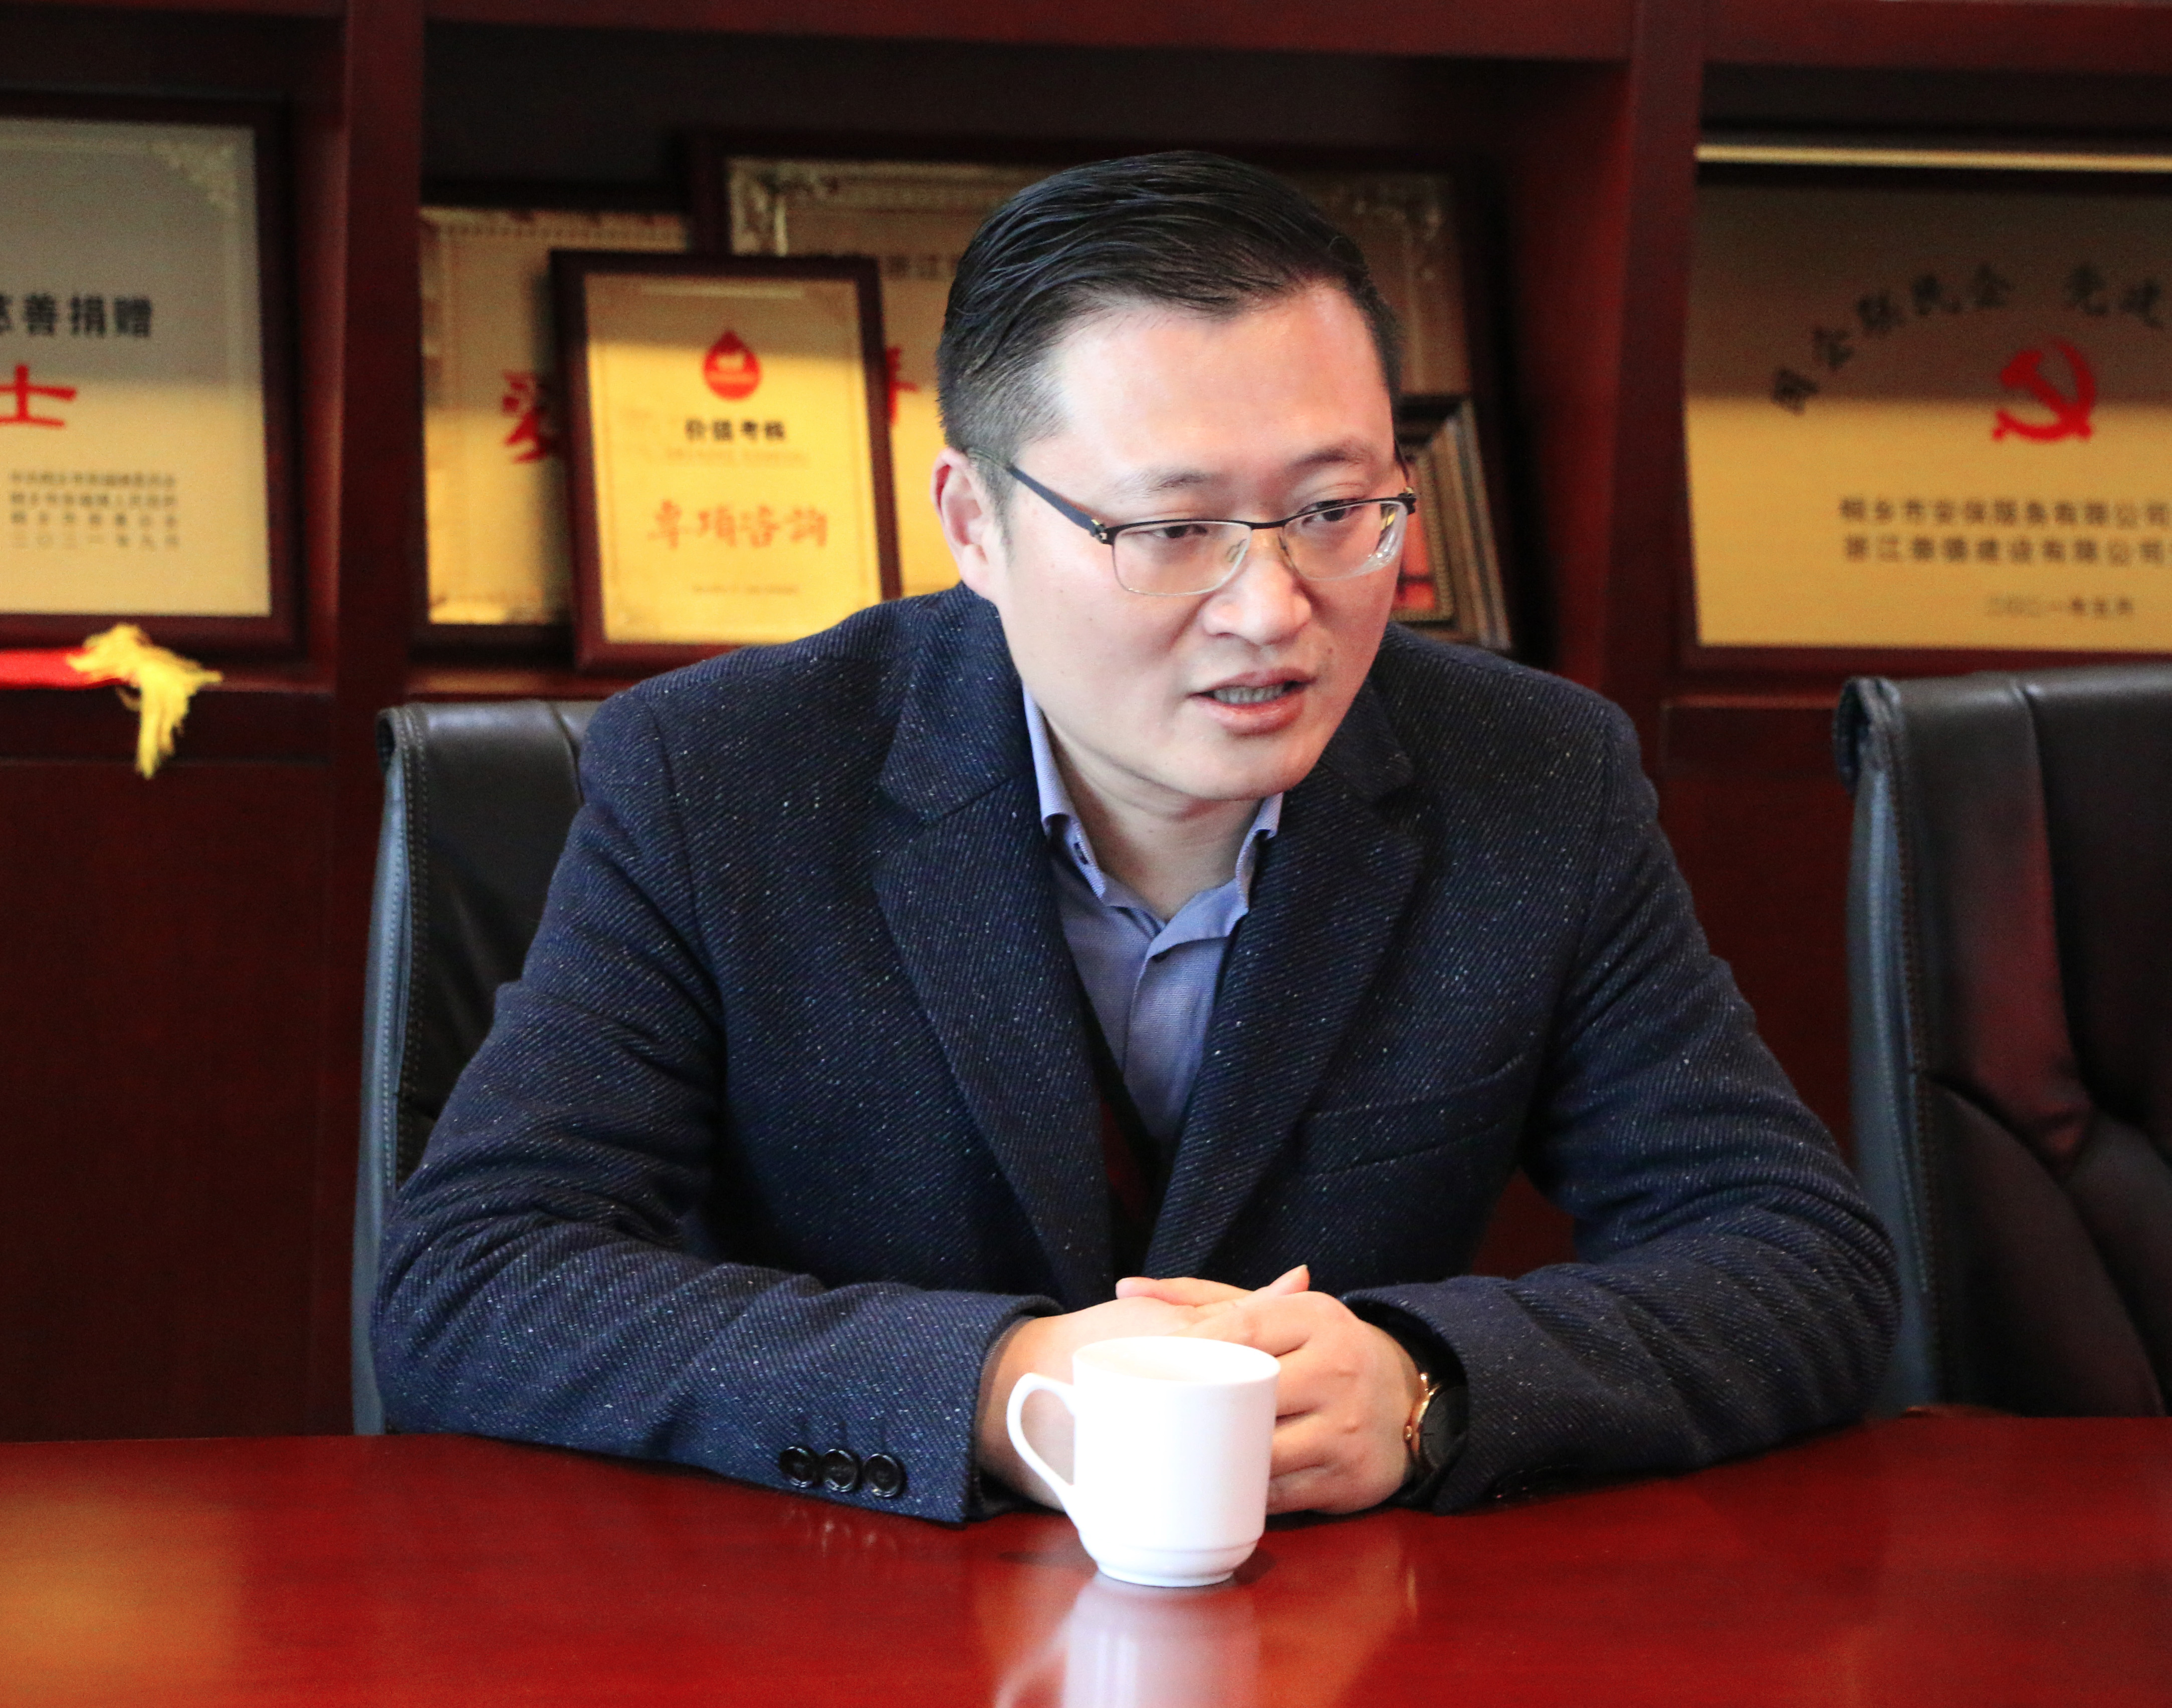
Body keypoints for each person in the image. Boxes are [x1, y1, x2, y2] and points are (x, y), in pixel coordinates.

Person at [375, 152, 1896, 1522]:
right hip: (839, 1622)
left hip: (1344, 1642)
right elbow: (471, 1277)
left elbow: (1798, 1255)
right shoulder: (724, 776)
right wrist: (994, 1387)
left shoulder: (1536, 779)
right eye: (1171, 531)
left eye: (1336, 510)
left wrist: (1425, 1380)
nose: (1272, 609)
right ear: (976, 525)